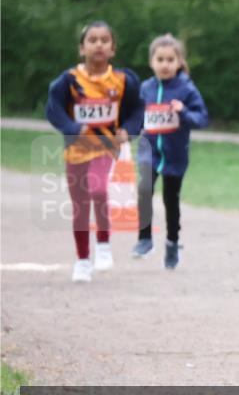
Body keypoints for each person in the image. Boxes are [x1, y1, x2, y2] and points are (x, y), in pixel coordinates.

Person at [46, 21, 143, 283]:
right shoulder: (68, 81)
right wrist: (71, 127)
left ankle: (103, 244)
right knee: (79, 205)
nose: (98, 44)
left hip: (105, 146)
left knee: (97, 189)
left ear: (113, 49)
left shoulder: (123, 80)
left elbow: (137, 110)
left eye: (104, 40)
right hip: (76, 149)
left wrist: (128, 131)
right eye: (92, 40)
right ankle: (82, 260)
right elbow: (53, 108)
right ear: (82, 48)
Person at [133, 34, 209, 269]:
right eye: (160, 59)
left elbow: (202, 118)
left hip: (175, 155)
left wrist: (183, 111)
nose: (165, 64)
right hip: (149, 152)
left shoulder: (186, 88)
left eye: (170, 59)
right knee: (144, 190)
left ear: (178, 62)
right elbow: (135, 117)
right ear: (151, 62)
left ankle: (172, 243)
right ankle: (145, 239)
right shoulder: (145, 88)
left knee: (170, 201)